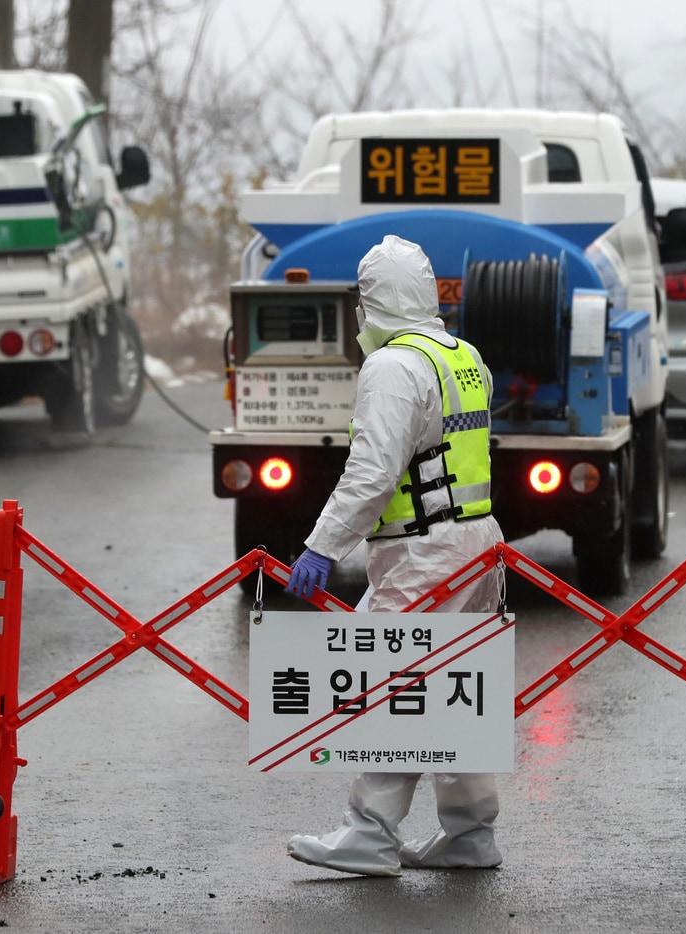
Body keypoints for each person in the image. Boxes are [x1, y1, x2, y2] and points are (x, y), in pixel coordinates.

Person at [283, 235, 505, 877]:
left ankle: (370, 833)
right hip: (475, 542)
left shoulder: (391, 368)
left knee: (391, 686)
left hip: (422, 553)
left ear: (372, 301)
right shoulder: (464, 357)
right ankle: (469, 832)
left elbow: (373, 472)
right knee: (457, 689)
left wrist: (322, 545)